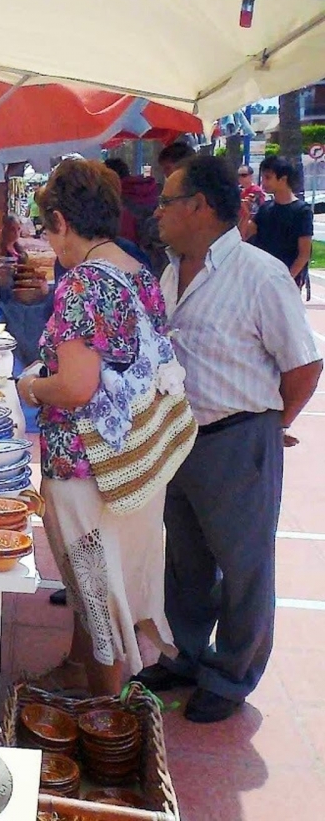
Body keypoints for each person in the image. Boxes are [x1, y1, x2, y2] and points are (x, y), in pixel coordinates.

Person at [132, 155, 322, 723]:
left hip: (239, 437)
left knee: (244, 567)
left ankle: (232, 674)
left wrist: (270, 426)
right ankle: (186, 656)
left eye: (168, 201)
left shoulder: (259, 275)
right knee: (186, 561)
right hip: (181, 436)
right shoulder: (172, 269)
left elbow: (305, 366)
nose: (158, 211)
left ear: (200, 207)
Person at [17, 159, 177, 697]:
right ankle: (81, 672)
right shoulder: (140, 274)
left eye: (47, 227)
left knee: (96, 595)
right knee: (107, 590)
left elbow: (77, 387)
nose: (48, 241)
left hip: (86, 469)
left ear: (62, 220)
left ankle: (110, 722)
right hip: (134, 463)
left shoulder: (81, 284)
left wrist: (31, 387)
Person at [242, 154, 313, 285]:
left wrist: (287, 280)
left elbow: (304, 253)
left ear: (283, 179)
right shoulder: (265, 209)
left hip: (286, 280)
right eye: (262, 177)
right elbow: (243, 237)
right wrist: (245, 215)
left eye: (268, 177)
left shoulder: (302, 211)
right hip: (261, 278)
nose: (263, 182)